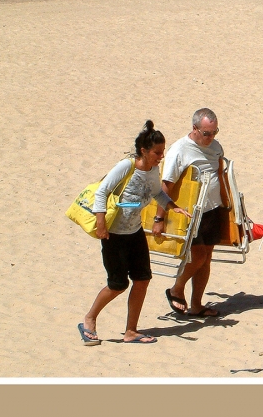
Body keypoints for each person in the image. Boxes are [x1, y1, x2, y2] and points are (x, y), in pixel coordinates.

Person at [79, 121, 192, 346]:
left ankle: (131, 331)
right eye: (157, 152)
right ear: (144, 151)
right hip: (114, 235)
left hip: (135, 232)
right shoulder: (126, 166)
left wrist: (172, 206)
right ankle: (89, 320)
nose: (161, 156)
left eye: (163, 152)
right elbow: (102, 192)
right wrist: (101, 225)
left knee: (142, 280)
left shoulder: (152, 170)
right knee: (117, 284)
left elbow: (158, 193)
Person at [156, 108, 227, 318]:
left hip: (213, 209)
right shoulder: (179, 150)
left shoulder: (215, 147)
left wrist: (230, 207)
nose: (211, 137)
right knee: (197, 257)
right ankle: (177, 289)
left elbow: (221, 175)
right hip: (190, 213)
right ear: (195, 128)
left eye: (215, 132)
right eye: (207, 133)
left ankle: (197, 304)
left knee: (207, 259)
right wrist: (159, 218)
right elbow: (166, 185)